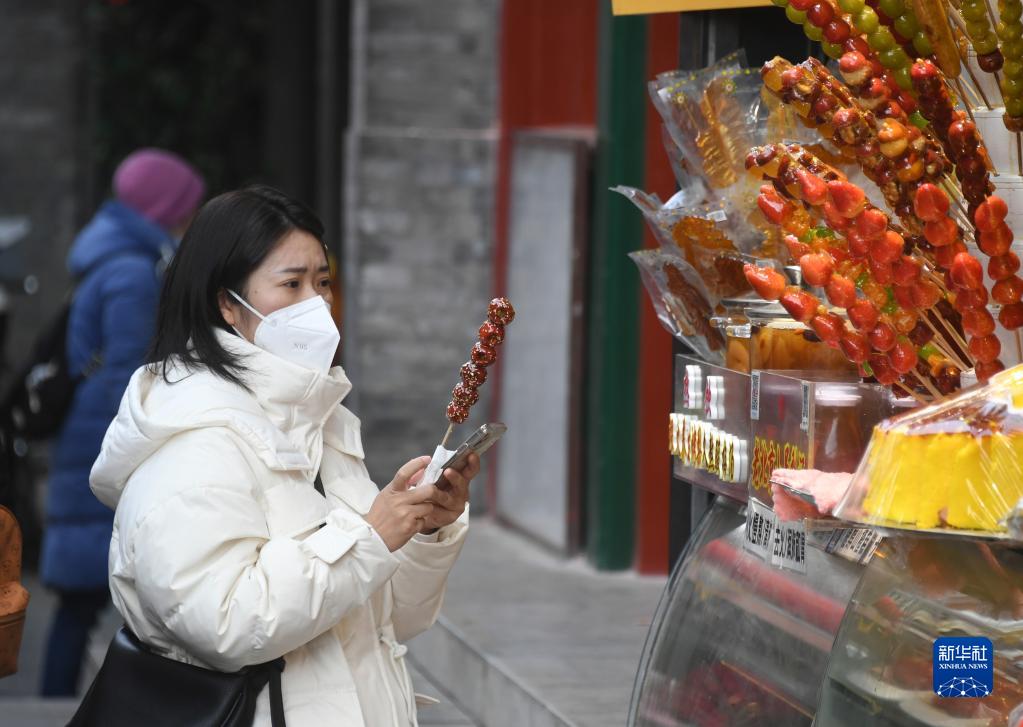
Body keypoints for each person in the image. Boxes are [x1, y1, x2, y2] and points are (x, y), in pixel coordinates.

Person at [87, 185, 477, 725]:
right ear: (227, 303)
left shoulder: (320, 422)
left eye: (322, 282)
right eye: (291, 284)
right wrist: (369, 537)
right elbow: (225, 622)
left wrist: (421, 528)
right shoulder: (193, 441)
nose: (315, 304)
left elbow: (385, 617)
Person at [40, 148, 205, 696]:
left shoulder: (114, 258)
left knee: (82, 605)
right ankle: (55, 707)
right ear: (164, 208)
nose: (190, 218)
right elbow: (130, 381)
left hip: (88, 444)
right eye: (186, 207)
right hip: (105, 450)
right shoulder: (134, 272)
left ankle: (56, 702)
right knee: (89, 604)